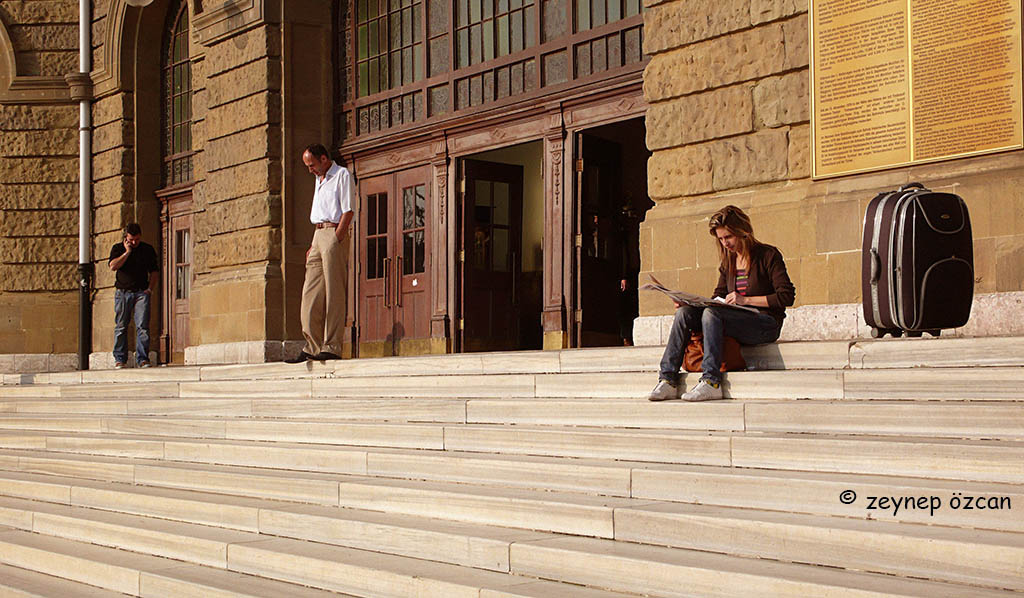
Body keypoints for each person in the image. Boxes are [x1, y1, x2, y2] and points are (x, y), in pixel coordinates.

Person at [649, 205, 795, 401]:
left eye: (728, 237)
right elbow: (718, 296)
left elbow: (786, 296)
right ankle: (667, 380)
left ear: (743, 232)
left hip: (765, 323)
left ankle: (711, 381)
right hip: (735, 319)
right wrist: (690, 304)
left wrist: (745, 300)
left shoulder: (768, 255)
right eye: (721, 239)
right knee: (684, 314)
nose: (725, 243)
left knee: (712, 314)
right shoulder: (728, 262)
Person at [285, 143, 354, 363]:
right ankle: (312, 346)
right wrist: (314, 244)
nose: (310, 170)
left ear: (324, 159)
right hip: (317, 235)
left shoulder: (342, 175)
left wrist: (336, 239)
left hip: (334, 232)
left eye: (312, 165)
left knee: (334, 292)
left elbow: (348, 210)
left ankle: (332, 346)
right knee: (310, 293)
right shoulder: (319, 178)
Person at [108, 222, 159, 368]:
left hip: (141, 293)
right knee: (121, 326)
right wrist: (127, 252)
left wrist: (150, 289)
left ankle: (143, 358)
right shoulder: (117, 248)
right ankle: (120, 358)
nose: (134, 242)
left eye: (137, 239)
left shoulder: (147, 250)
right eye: (131, 240)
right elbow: (113, 266)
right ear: (126, 238)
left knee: (142, 325)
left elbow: (154, 271)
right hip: (123, 293)